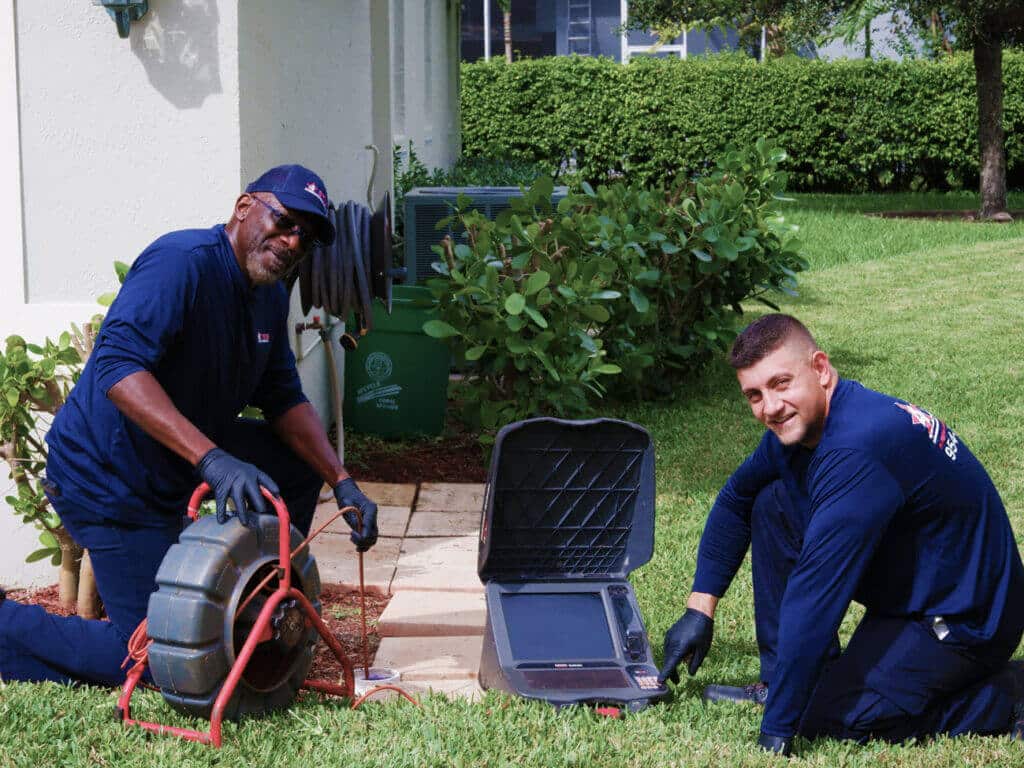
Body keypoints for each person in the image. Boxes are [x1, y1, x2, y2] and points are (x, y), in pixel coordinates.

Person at [0, 164, 378, 686]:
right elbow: (117, 368)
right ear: (244, 208)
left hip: (174, 459)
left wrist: (343, 481)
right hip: (107, 474)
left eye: (306, 237)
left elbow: (284, 399)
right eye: (286, 221)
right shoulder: (181, 264)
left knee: (292, 463)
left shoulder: (269, 294)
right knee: (159, 655)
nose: (293, 241)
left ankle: (254, 596)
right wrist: (213, 459)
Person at [658, 313, 1024, 756]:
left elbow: (814, 598)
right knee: (771, 500)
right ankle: (781, 682)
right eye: (754, 395)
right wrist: (700, 610)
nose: (769, 407)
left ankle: (1008, 693)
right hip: (914, 587)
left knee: (829, 719)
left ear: (821, 369)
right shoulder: (802, 430)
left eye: (780, 383)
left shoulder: (857, 448)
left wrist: (777, 733)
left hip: (968, 618)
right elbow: (737, 498)